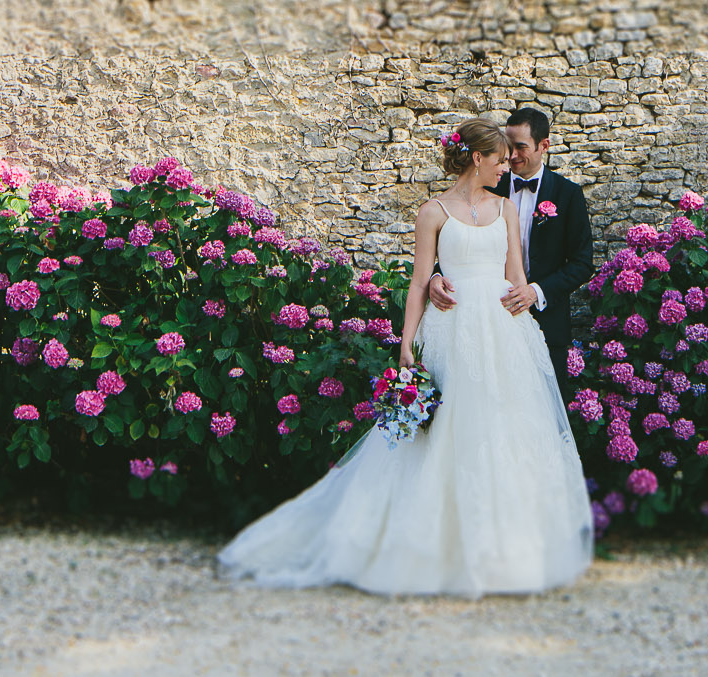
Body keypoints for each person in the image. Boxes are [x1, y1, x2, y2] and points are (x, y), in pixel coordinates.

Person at [217, 117, 592, 596]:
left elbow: (515, 273)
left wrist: (524, 308)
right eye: (499, 159)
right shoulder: (432, 212)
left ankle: (509, 553)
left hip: (502, 332)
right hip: (452, 331)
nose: (507, 166)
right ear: (477, 158)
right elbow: (419, 282)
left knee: (504, 429)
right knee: (448, 430)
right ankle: (431, 549)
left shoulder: (507, 210)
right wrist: (405, 344)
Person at [428, 105, 592, 400]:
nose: (512, 156)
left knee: (541, 412)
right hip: (483, 323)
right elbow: (462, 244)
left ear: (544, 146)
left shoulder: (568, 194)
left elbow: (582, 263)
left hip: (546, 319)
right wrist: (436, 276)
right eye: (508, 146)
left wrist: (535, 292)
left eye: (520, 147)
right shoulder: (487, 183)